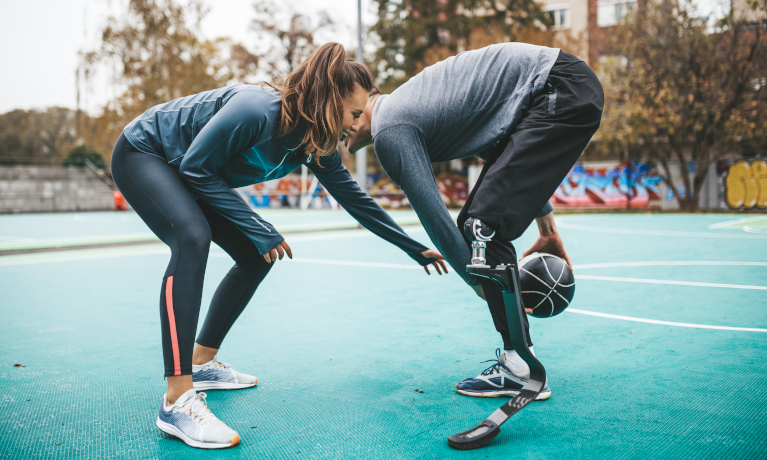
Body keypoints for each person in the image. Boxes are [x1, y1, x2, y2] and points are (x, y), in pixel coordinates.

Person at [110, 43, 447, 450]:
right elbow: (194, 167)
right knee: (192, 238)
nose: (357, 125)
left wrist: (412, 247)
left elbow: (357, 201)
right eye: (354, 114)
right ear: (327, 101)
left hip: (187, 170)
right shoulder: (257, 110)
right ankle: (176, 399)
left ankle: (200, 363)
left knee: (255, 255)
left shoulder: (315, 145)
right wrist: (258, 224)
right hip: (144, 153)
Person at [343, 42, 604, 401]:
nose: (338, 128)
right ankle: (518, 360)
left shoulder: (390, 128)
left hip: (558, 88)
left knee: (482, 228)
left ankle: (520, 367)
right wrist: (547, 227)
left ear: (357, 108)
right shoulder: (418, 108)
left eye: (341, 114)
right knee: (478, 224)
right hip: (563, 86)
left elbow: (434, 215)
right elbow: (499, 155)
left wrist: (478, 281)